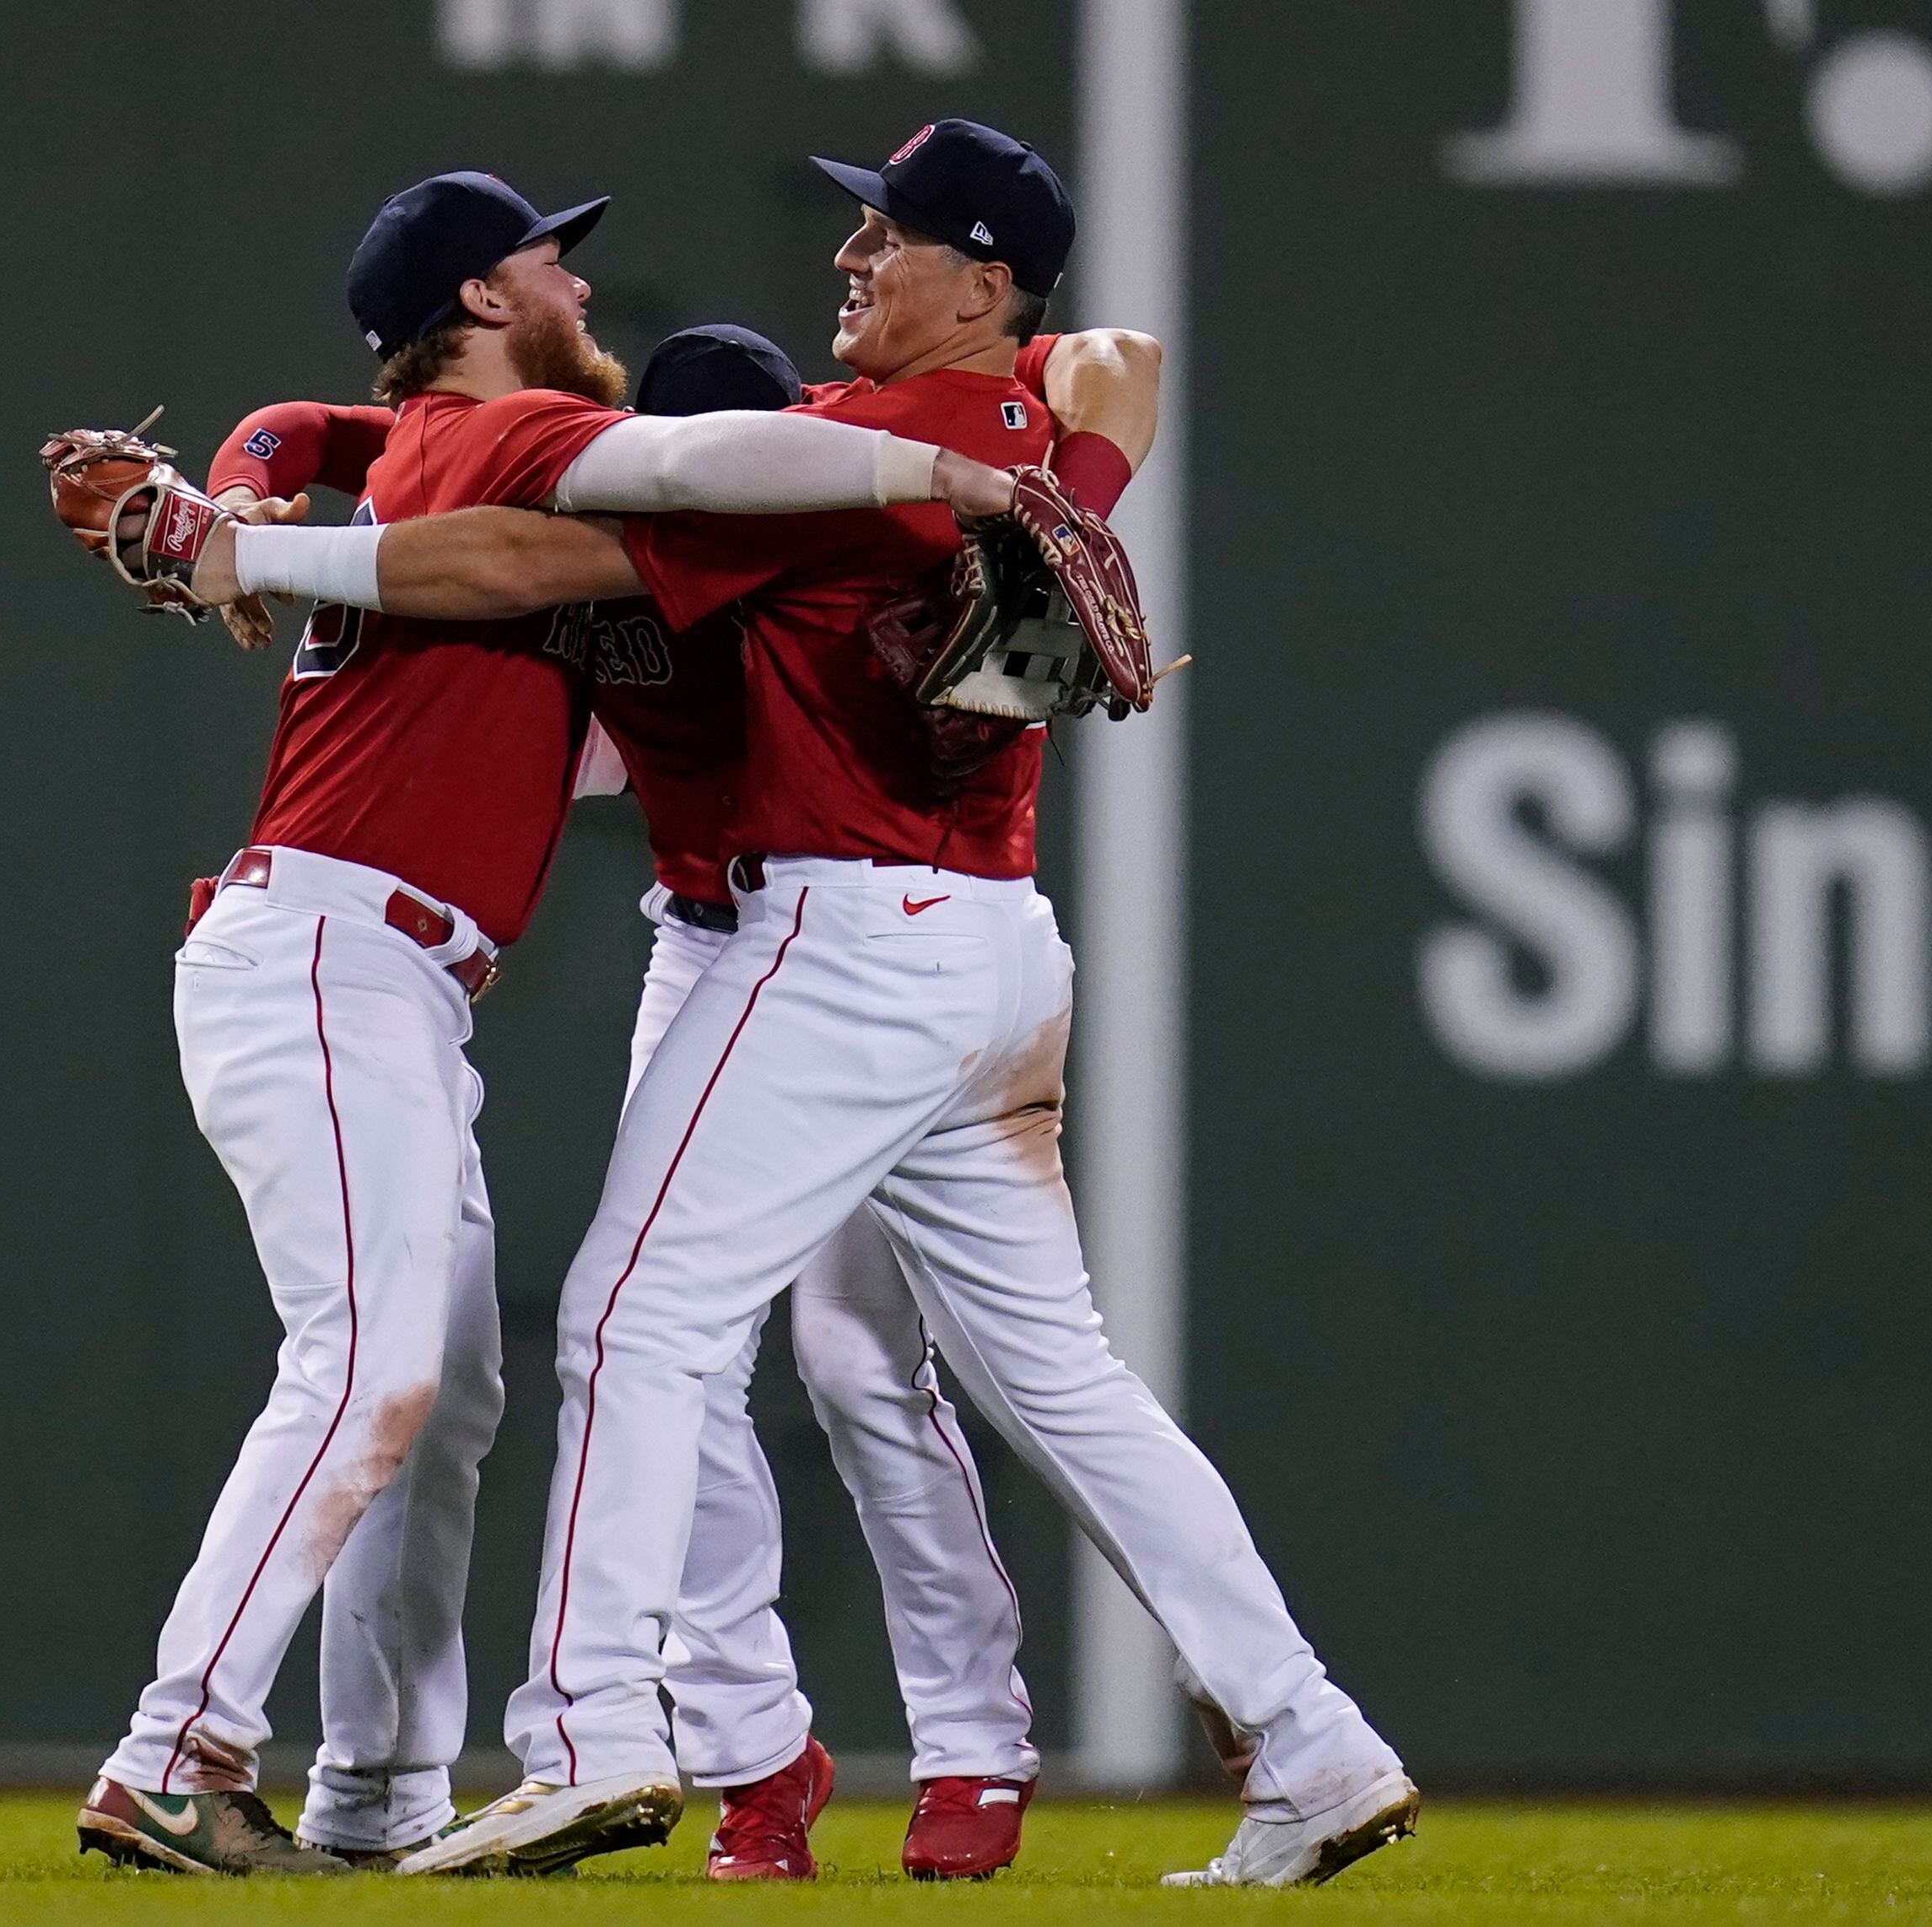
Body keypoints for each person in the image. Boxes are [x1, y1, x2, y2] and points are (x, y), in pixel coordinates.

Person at [202, 120, 1418, 1892]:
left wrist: (254, 547)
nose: (850, 257)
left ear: (981, 275)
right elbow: (1115, 364)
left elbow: (534, 558)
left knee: (634, 1316)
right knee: (1053, 1382)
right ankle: (1312, 1734)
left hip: (837, 932)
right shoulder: (996, 417)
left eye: (890, 236)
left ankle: (596, 1729)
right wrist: (1071, 467)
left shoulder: (835, 455)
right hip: (991, 951)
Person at [68, 166, 1044, 1879]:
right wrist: (934, 464)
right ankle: (175, 1750)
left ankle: (374, 1787)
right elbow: (610, 501)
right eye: (551, 261)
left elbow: (305, 419)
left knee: (437, 1402)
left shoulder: (430, 438)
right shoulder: (505, 438)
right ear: (481, 297)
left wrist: (218, 503)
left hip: (376, 972)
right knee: (371, 1369)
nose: (581, 289)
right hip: (320, 954)